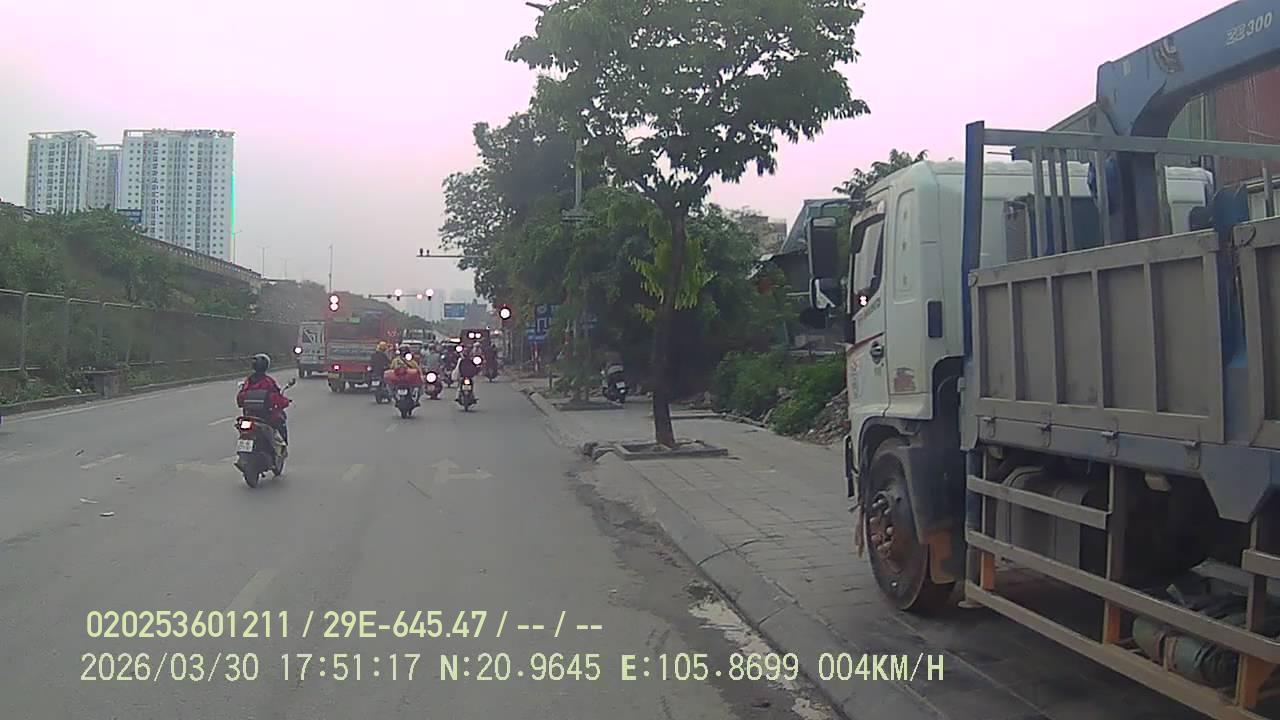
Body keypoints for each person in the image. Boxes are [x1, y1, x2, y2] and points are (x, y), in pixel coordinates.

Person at [235, 353, 291, 445]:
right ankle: (282, 445)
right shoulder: (268, 381)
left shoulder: (248, 381)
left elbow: (240, 400)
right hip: (266, 417)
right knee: (281, 423)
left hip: (249, 416)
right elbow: (276, 398)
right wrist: (285, 402)